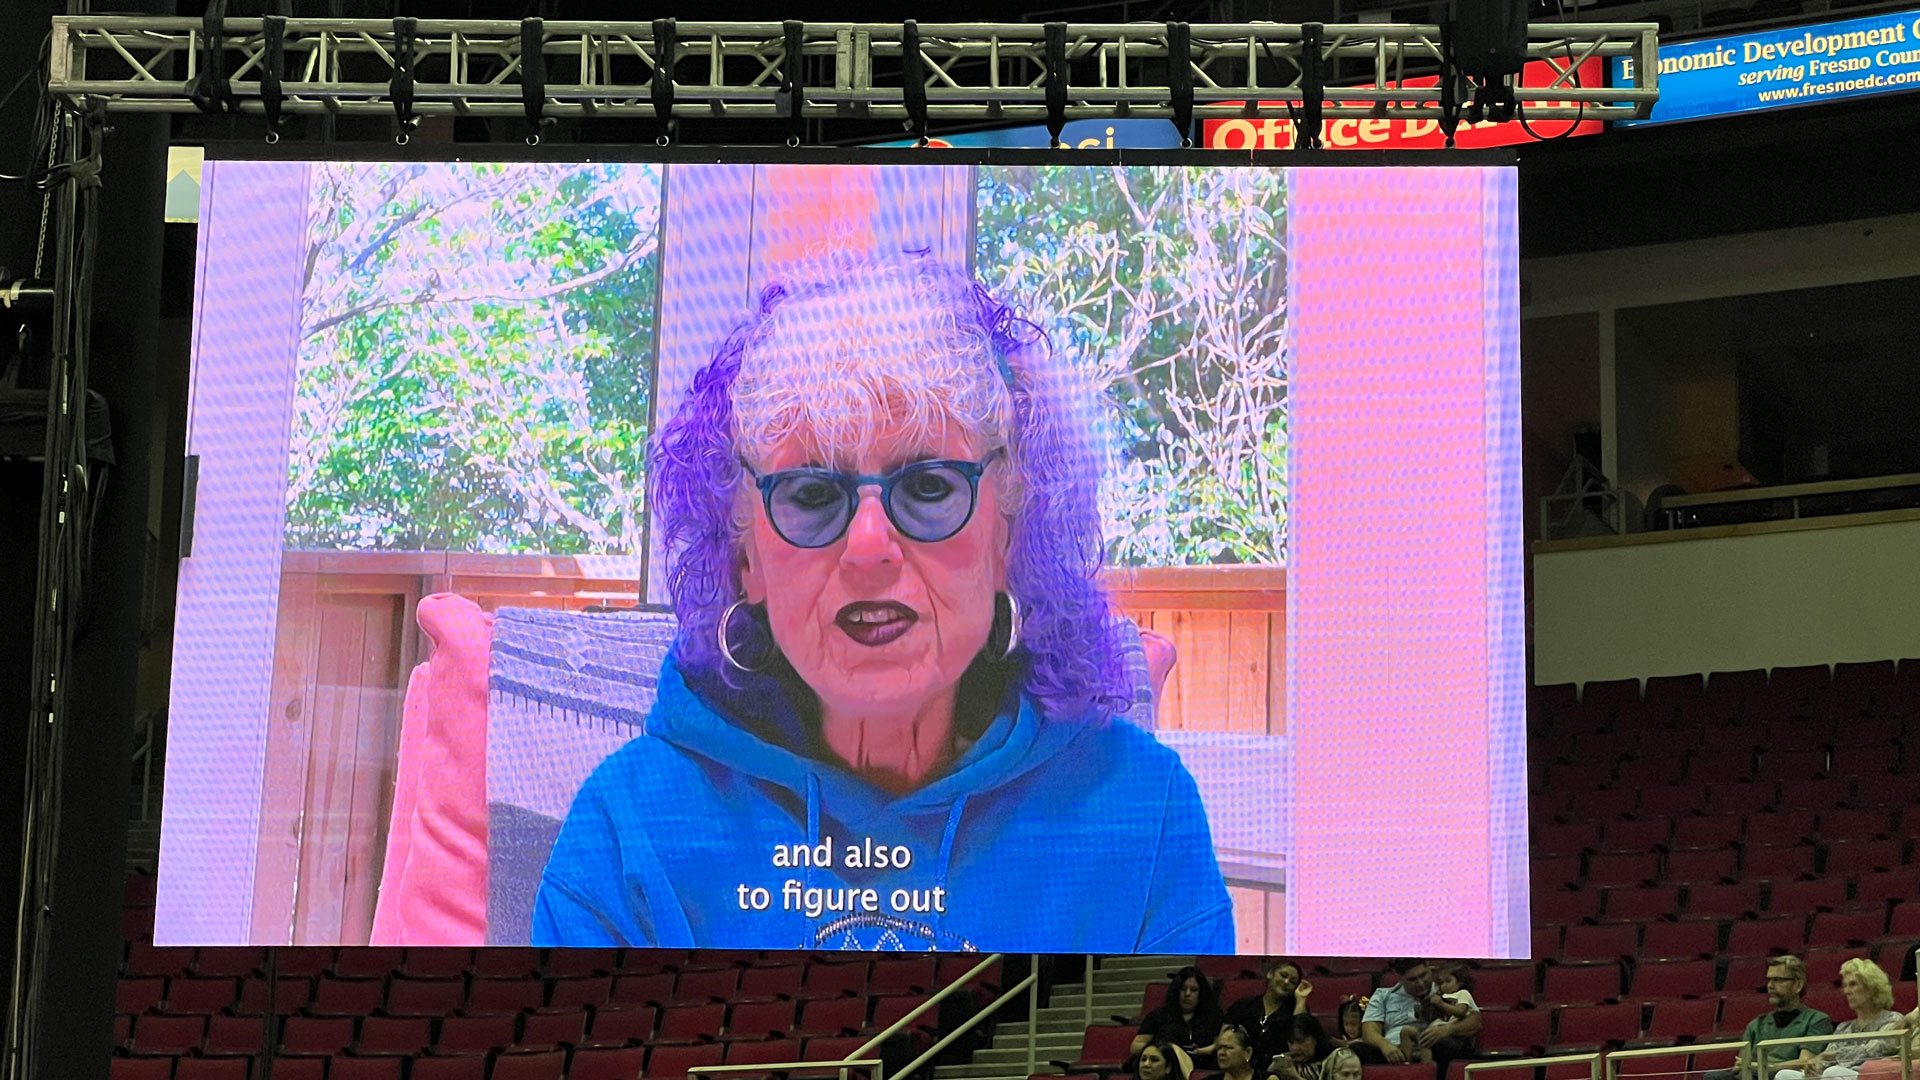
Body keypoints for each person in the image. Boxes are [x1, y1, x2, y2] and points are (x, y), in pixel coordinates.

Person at [531, 255, 1233, 951]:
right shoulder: (628, 833)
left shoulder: (1144, 817)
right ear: (744, 559)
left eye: (929, 488)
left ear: (1007, 537)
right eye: (810, 494)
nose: (870, 546)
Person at [1705, 956, 1835, 1080]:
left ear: (1798, 985)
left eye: (1778, 980)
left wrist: (1768, 1067)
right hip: (1754, 1076)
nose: (1770, 986)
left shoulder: (1816, 1020)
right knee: (1714, 1077)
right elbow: (1741, 1065)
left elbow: (1806, 1062)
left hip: (1784, 1076)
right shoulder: (1756, 1024)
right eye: (1769, 980)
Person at [1774, 959, 1903, 1080]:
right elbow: (1826, 1058)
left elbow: (1874, 1051)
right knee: (1785, 1075)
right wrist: (1817, 1063)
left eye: (1853, 984)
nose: (1846, 991)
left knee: (1833, 1072)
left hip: (1867, 1075)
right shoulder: (1844, 1027)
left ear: (1872, 988)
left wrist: (1833, 1056)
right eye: (1845, 986)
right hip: (1835, 1074)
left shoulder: (1893, 1020)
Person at [1225, 959, 1314, 1072]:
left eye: (1293, 982)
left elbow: (1300, 1035)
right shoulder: (1243, 1005)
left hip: (1279, 1070)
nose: (1286, 982)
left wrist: (1301, 999)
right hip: (1241, 1067)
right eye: (1283, 975)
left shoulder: (1296, 1010)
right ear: (1270, 974)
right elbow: (1225, 1035)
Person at [1133, 967, 1228, 1063]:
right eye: (1183, 989)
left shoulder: (1214, 1015)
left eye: (1193, 990)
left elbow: (1221, 1044)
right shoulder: (1158, 1015)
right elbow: (1136, 1046)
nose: (1187, 994)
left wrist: (1202, 1051)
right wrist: (1164, 1051)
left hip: (1204, 1062)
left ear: (1202, 993)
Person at [1358, 959, 1438, 1064]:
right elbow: (1369, 1032)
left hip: (1432, 1047)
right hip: (1393, 1051)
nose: (1421, 983)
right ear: (1400, 978)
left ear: (1429, 967)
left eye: (1423, 975)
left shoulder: (1444, 989)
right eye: (1412, 980)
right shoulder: (1382, 996)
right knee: (1358, 1049)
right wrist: (1385, 1046)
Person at [1416, 965, 1482, 1077]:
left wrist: (1441, 1004)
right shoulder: (1441, 996)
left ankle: (1428, 1072)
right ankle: (1417, 1067)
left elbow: (1461, 1012)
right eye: (1441, 983)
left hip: (1460, 1038)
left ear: (1460, 982)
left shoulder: (1463, 994)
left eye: (1448, 981)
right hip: (1443, 1032)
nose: (1443, 985)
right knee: (1408, 1032)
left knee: (1426, 1038)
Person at [1269, 1013, 1335, 1080]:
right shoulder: (1288, 1066)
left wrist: (1295, 1077)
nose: (1294, 1048)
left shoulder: (1332, 1064)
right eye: (1291, 1042)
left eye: (1301, 1041)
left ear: (1315, 1038)